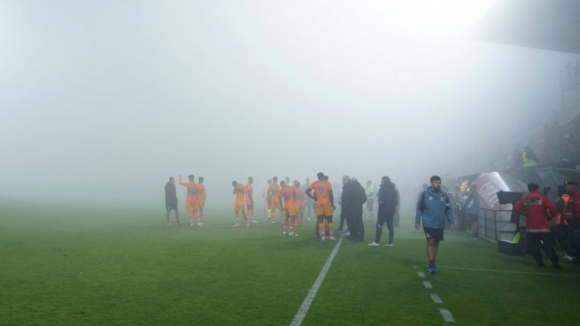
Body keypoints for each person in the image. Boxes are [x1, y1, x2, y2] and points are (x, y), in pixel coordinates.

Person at [514, 183, 560, 269]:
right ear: (537, 189)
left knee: (534, 246)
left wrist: (524, 213)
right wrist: (549, 217)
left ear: (529, 189)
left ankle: (539, 262)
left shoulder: (525, 198)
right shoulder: (542, 197)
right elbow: (553, 207)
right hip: (543, 227)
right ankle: (555, 262)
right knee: (548, 245)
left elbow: (516, 208)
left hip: (531, 227)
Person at [415, 175, 455, 274]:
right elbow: (419, 208)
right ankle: (431, 263)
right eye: (436, 183)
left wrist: (451, 222)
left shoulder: (444, 195)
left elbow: (448, 209)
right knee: (430, 241)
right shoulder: (424, 195)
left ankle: (433, 262)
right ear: (432, 183)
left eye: (439, 183)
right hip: (428, 223)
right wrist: (417, 221)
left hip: (439, 224)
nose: (438, 184)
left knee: (436, 243)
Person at [306, 172, 336, 241]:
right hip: (327, 204)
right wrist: (332, 204)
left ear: (318, 177)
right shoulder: (327, 183)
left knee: (320, 220)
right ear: (323, 176)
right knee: (329, 220)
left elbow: (307, 191)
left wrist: (314, 198)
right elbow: (331, 194)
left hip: (319, 204)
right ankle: (331, 236)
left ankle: (322, 236)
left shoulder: (315, 183)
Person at [369, 176, 398, 247]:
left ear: (384, 180)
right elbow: (396, 201)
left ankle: (376, 241)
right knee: (390, 226)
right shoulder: (394, 190)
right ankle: (390, 242)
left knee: (379, 225)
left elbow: (382, 200)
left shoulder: (383, 188)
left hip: (383, 211)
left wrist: (381, 208)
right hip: (391, 211)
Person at [562, 181, 580, 264]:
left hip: (576, 223)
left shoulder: (576, 197)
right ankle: (576, 258)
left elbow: (578, 211)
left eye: (567, 186)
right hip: (572, 222)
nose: (566, 188)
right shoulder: (572, 197)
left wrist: (574, 219)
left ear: (573, 187)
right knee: (574, 241)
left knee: (577, 241)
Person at [349, 177, 367, 242]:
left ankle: (355, 237)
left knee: (354, 223)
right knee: (360, 222)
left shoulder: (351, 188)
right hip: (359, 208)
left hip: (352, 208)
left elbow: (349, 199)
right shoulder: (361, 188)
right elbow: (364, 198)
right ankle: (361, 237)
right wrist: (359, 203)